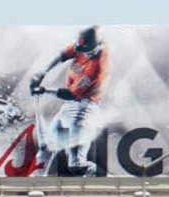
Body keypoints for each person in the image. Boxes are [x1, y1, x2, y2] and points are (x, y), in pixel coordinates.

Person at [29, 26, 110, 176]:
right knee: (46, 147)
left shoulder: (96, 69)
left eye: (87, 51)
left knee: (77, 165)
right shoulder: (84, 45)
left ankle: (109, 184)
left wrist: (44, 90)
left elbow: (72, 94)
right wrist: (42, 72)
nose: (83, 54)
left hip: (83, 110)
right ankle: (36, 187)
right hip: (70, 106)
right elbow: (61, 55)